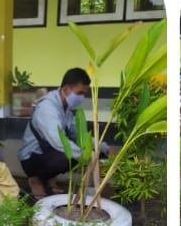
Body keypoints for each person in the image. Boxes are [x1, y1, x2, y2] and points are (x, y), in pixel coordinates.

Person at [19, 68, 112, 199]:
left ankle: (49, 179)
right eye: (79, 93)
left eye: (84, 94)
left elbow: (79, 135)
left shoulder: (67, 108)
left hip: (48, 151)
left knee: (90, 153)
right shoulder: (47, 108)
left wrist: (104, 148)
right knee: (66, 158)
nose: (81, 97)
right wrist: (86, 157)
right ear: (67, 89)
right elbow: (58, 141)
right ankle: (35, 179)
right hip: (32, 157)